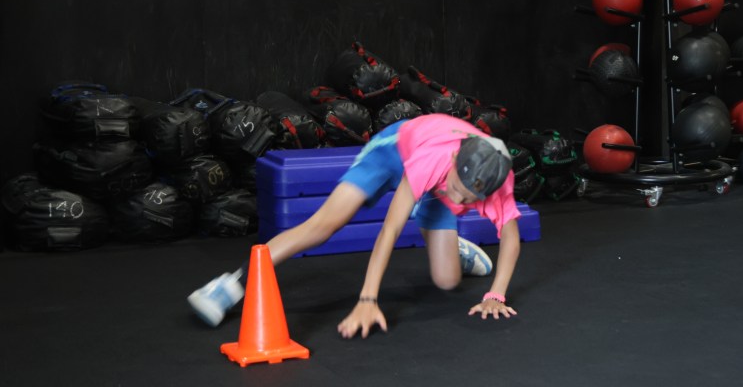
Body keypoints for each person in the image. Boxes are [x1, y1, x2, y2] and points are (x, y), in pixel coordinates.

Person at [187, 113, 521, 339]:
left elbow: (510, 234)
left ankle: (453, 249)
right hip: (394, 151)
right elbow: (389, 229)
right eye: (457, 193)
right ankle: (231, 284)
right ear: (452, 163)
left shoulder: (493, 180)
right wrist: (367, 300)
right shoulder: (432, 162)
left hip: (437, 181)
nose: (460, 203)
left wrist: (496, 294)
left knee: (447, 280)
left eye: (468, 200)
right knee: (324, 225)